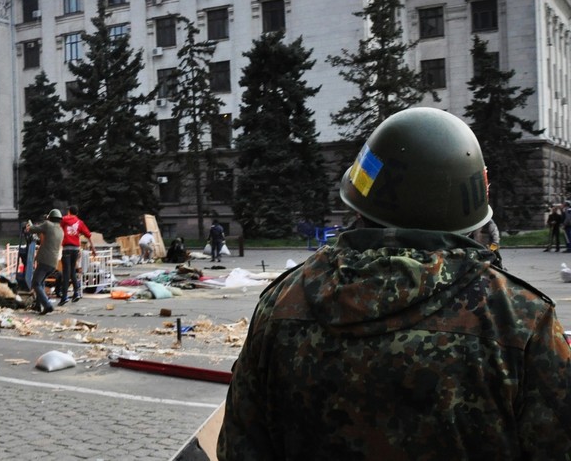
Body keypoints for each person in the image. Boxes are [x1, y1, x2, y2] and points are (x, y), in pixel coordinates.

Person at [218, 108, 571, 459]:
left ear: (360, 202)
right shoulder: (520, 319)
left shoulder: (280, 304)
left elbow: (238, 448)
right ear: (471, 205)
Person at [24, 209, 64, 315]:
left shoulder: (47, 224)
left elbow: (33, 229)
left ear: (50, 218)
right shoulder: (61, 230)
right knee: (41, 282)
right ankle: (38, 305)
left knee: (35, 283)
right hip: (53, 262)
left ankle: (47, 305)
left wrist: (29, 225)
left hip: (45, 260)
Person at [58, 206, 94, 305]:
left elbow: (58, 226)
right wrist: (93, 248)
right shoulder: (80, 222)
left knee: (66, 273)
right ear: (77, 213)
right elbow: (88, 234)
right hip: (75, 249)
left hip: (66, 249)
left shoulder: (64, 219)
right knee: (73, 271)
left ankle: (64, 296)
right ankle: (76, 293)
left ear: (69, 212)